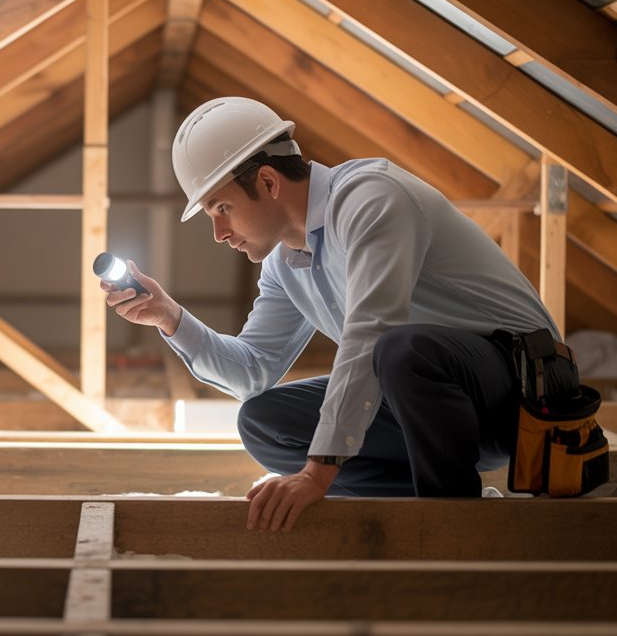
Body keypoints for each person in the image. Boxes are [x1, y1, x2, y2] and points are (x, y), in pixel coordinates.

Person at [100, 97, 578, 532]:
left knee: (399, 349)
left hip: (524, 397)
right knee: (262, 421)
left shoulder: (371, 199)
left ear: (268, 181)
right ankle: (454, 503)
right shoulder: (286, 263)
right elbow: (252, 372)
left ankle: (450, 522)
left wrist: (316, 473)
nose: (219, 232)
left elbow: (372, 333)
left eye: (221, 207)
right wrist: (169, 317)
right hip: (428, 401)